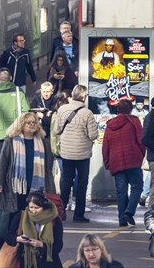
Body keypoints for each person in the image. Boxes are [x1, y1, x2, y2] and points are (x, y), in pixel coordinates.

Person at [0, 112, 57, 249]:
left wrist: (50, 187)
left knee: (31, 217)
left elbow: (48, 167)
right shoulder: (11, 140)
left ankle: (26, 246)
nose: (32, 125)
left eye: (34, 122)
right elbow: (3, 163)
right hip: (15, 187)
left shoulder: (43, 142)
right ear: (21, 124)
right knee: (12, 217)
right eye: (28, 122)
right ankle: (5, 245)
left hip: (36, 188)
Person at [54, 85, 98, 223]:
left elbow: (56, 130)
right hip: (83, 154)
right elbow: (93, 135)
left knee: (66, 181)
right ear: (83, 97)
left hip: (66, 152)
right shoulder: (87, 113)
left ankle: (61, 212)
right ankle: (78, 214)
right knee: (81, 183)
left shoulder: (62, 109)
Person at [102, 99, 145, 227]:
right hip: (133, 159)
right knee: (137, 187)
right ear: (131, 109)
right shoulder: (134, 121)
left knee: (121, 191)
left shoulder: (110, 125)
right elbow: (140, 140)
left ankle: (122, 219)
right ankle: (130, 211)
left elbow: (106, 146)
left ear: (117, 109)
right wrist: (141, 155)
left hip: (116, 161)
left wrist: (107, 162)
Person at [5, 190, 64, 268]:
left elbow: (58, 245)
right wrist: (17, 239)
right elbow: (8, 236)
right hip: (25, 260)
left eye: (37, 208)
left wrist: (42, 245)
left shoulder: (54, 220)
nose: (33, 211)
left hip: (48, 262)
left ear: (44, 207)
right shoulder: (21, 216)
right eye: (31, 207)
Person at [0, 68, 30, 175]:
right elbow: (26, 111)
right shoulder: (19, 92)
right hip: (15, 133)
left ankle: (0, 186)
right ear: (11, 78)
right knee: (14, 163)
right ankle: (13, 187)